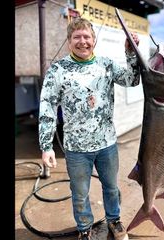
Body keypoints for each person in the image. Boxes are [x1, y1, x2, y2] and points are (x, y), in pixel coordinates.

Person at [38, 17, 140, 240]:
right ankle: (84, 228)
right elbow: (47, 107)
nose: (82, 41)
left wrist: (131, 53)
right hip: (76, 149)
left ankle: (114, 220)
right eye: (77, 37)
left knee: (111, 188)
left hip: (107, 144)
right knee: (80, 194)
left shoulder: (106, 64)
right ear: (69, 41)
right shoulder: (58, 70)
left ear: (94, 40)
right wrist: (46, 146)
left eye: (86, 37)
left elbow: (132, 81)